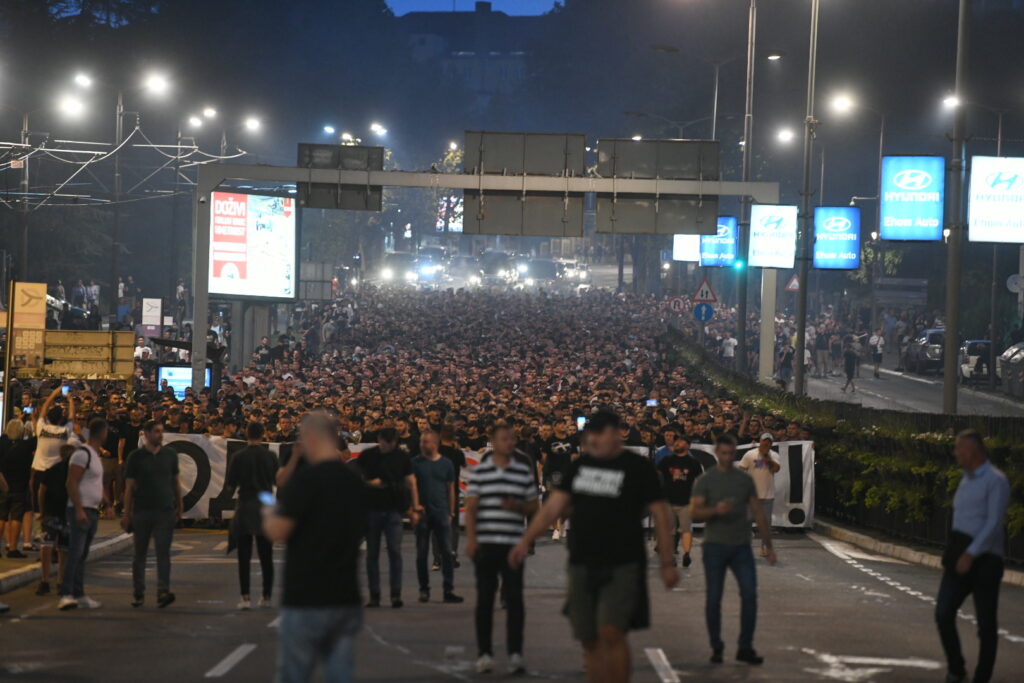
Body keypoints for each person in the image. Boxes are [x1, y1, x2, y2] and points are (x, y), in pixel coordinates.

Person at [510, 412, 678, 683]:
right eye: (592, 435)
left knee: (613, 632)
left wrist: (668, 561)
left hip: (623, 561)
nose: (595, 440)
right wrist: (526, 539)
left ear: (616, 434)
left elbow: (660, 512)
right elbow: (554, 505)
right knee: (588, 638)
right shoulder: (581, 466)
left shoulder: (637, 467)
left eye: (601, 434)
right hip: (583, 561)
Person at [263, 411, 367, 683]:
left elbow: (279, 531)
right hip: (346, 594)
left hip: (306, 595)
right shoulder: (354, 481)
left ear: (309, 438)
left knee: (295, 673)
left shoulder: (305, 481)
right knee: (340, 672)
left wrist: (267, 515)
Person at [691, 433, 776, 666]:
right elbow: (694, 512)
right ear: (717, 453)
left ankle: (745, 646)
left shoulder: (744, 480)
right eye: (724, 453)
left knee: (749, 595)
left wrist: (768, 544)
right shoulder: (706, 480)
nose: (728, 458)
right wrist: (714, 511)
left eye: (731, 454)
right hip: (714, 546)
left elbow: (758, 512)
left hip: (741, 547)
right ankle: (716, 646)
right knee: (714, 598)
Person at [935, 429, 1011, 683]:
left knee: (986, 624)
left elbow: (993, 523)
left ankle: (982, 677)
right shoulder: (965, 479)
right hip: (959, 554)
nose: (955, 453)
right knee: (943, 612)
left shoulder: (995, 480)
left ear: (972, 452)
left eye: (959, 449)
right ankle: (956, 668)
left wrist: (971, 552)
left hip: (986, 559)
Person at [464, 424, 539, 675]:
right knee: (485, 600)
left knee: (515, 601)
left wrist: (519, 515)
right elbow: (472, 507)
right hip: (487, 543)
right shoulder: (482, 472)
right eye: (504, 439)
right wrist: (472, 539)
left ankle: (515, 653)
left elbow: (532, 506)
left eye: (511, 439)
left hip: (512, 544)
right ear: (493, 443)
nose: (509, 443)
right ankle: (484, 653)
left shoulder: (522, 471)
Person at [122, 421, 182, 608]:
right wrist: (126, 513)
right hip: (142, 510)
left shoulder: (170, 455)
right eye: (156, 432)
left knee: (163, 553)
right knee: (139, 554)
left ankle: (163, 591)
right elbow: (129, 487)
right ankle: (138, 593)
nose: (160, 435)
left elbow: (176, 482)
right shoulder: (136, 457)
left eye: (161, 432)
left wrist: (179, 505)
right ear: (146, 434)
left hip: (164, 511)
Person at [355, 428, 417, 609]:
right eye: (384, 442)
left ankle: (395, 594)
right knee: (372, 554)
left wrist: (413, 508)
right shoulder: (368, 456)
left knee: (394, 552)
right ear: (379, 439)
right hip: (372, 509)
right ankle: (375, 595)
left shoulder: (402, 457)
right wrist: (369, 483)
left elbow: (410, 482)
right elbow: (356, 476)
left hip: (394, 510)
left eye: (390, 443)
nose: (387, 446)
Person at [225, 421, 279, 610]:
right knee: (266, 555)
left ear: (246, 434)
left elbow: (231, 485)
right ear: (263, 434)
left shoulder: (238, 457)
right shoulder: (270, 456)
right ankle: (267, 596)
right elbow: (276, 480)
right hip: (265, 507)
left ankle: (245, 597)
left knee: (244, 555)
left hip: (245, 506)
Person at [59, 417, 109, 610]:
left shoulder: (95, 455)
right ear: (102, 433)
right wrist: (79, 509)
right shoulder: (82, 454)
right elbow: (71, 482)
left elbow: (95, 483)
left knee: (82, 554)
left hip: (92, 510)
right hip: (81, 510)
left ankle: (78, 593)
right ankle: (66, 593)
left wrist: (106, 502)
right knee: (75, 552)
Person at [411, 430, 463, 604]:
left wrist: (451, 512)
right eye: (421, 442)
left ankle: (448, 589)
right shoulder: (415, 463)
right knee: (421, 553)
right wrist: (414, 510)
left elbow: (451, 489)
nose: (422, 445)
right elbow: (412, 488)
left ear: (435, 443)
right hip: (423, 514)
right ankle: (423, 589)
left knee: (447, 553)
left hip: (441, 513)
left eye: (425, 442)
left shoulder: (446, 464)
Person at [656, 434, 703, 568]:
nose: (676, 444)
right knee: (669, 531)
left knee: (686, 530)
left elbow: (699, 481)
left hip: (686, 502)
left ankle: (686, 554)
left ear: (687, 445)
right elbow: (657, 474)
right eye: (676, 442)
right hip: (668, 501)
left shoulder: (693, 463)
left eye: (680, 442)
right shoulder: (666, 460)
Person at [737, 433, 780, 556]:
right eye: (764, 442)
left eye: (768, 442)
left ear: (771, 444)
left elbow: (776, 469)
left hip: (767, 496)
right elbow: (741, 468)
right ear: (759, 442)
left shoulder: (774, 455)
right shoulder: (750, 454)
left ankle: (765, 547)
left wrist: (768, 458)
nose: (766, 444)